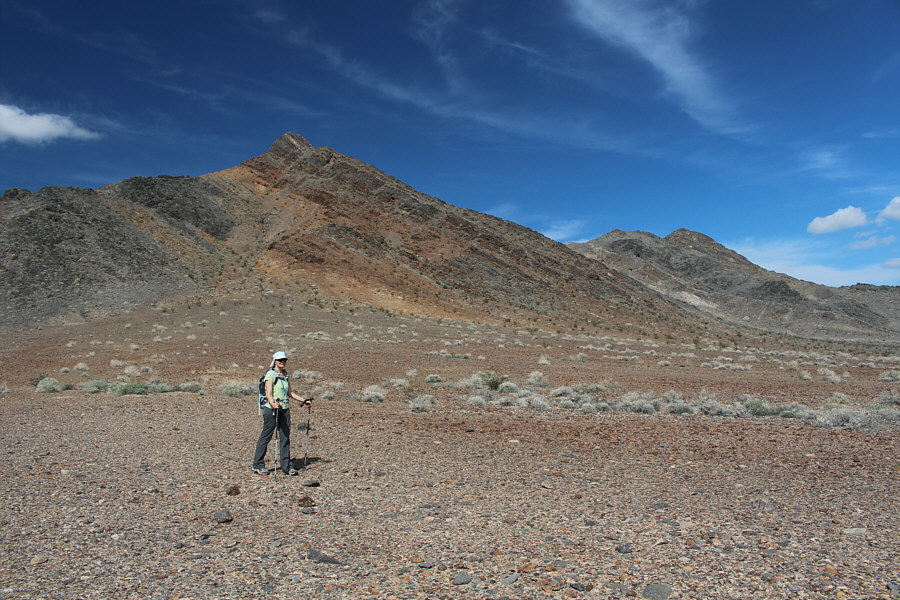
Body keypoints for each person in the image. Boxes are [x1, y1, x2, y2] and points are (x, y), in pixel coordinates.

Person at [252, 351, 312, 476]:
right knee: (266, 436)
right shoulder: (270, 374)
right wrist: (273, 403)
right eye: (280, 360)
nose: (282, 362)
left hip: (284, 409)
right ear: (275, 361)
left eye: (284, 360)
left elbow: (290, 393)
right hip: (272, 410)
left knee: (285, 437)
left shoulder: (285, 374)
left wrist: (303, 400)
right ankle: (258, 464)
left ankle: (286, 466)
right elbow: (268, 394)